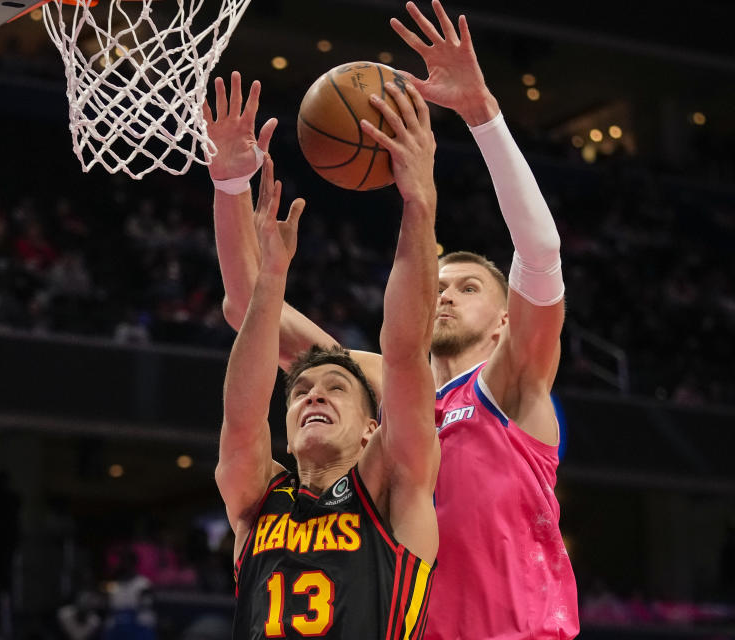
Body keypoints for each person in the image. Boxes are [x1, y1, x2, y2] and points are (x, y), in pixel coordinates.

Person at [204, 1, 578, 637]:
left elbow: (540, 252)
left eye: (468, 287)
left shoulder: (514, 382)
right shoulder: (378, 384)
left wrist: (481, 114)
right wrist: (232, 188)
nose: (448, 295)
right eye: (440, 283)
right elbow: (249, 308)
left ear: (502, 321)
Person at [214, 74, 440, 638]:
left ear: (372, 429)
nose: (313, 392)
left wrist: (420, 201)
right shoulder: (257, 501)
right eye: (301, 392)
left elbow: (407, 353)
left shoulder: (392, 488)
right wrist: (231, 191)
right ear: (286, 435)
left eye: (337, 387)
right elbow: (242, 419)